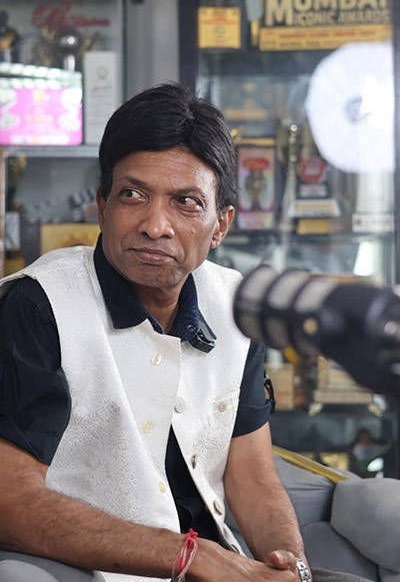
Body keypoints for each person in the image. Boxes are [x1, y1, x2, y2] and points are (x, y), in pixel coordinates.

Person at [0, 83, 368, 582]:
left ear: (221, 226)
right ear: (102, 205)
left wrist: (291, 566)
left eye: (186, 202)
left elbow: (252, 476)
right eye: (133, 195)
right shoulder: (38, 305)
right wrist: (192, 557)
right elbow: (12, 501)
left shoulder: (237, 305)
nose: (155, 225)